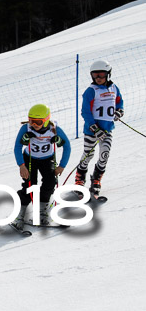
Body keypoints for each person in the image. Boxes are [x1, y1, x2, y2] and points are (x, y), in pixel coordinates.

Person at [10, 104, 71, 229]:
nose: (34, 125)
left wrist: (62, 166)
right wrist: (21, 165)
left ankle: (42, 214)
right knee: (29, 186)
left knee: (49, 184)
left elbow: (67, 146)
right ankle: (18, 216)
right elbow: (17, 146)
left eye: (38, 122)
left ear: (46, 120)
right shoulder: (26, 128)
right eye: (31, 120)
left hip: (47, 159)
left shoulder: (54, 128)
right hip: (30, 159)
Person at [75, 59, 124, 196]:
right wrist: (95, 129)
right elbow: (85, 112)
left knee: (104, 154)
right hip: (92, 131)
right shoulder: (91, 91)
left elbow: (119, 102)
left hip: (107, 129)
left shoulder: (114, 88)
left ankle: (96, 180)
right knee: (88, 154)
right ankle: (79, 179)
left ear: (108, 74)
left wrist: (119, 111)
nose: (98, 78)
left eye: (101, 75)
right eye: (95, 75)